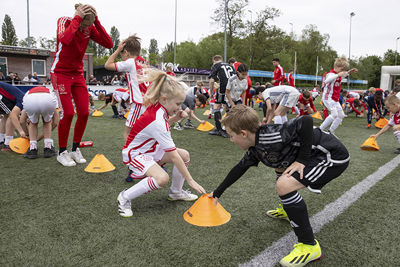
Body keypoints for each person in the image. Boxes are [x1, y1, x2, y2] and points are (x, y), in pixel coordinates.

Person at [209, 105, 350, 267]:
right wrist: (217, 192)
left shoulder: (273, 136)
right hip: (315, 154)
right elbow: (240, 167)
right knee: (278, 164)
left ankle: (309, 245)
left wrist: (302, 160)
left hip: (331, 156)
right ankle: (288, 208)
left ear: (243, 133)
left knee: (284, 185)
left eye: (231, 135)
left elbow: (306, 120)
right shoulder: (256, 147)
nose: (231, 139)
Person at [117, 70, 206, 217]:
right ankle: (124, 197)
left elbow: (159, 127)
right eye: (177, 104)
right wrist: (191, 181)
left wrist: (176, 118)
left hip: (149, 149)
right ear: (164, 99)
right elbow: (173, 155)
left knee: (185, 155)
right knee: (162, 178)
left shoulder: (159, 107)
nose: (179, 107)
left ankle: (176, 193)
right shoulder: (158, 121)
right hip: (135, 154)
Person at [50, 3, 113, 167]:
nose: (86, 28)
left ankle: (74, 149)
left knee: (84, 112)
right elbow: (65, 39)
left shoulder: (90, 28)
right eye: (85, 24)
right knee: (68, 112)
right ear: (78, 17)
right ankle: (62, 152)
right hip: (60, 73)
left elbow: (108, 43)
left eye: (89, 25)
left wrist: (97, 21)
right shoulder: (64, 21)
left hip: (77, 74)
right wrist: (77, 19)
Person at [105, 35, 150, 140]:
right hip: (149, 103)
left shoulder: (130, 62)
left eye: (122, 54)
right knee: (144, 134)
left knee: (127, 134)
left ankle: (130, 155)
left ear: (126, 53)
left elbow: (108, 65)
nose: (121, 57)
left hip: (139, 104)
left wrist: (118, 49)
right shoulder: (144, 62)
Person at [319, 57, 358, 134]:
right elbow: (326, 81)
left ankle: (331, 131)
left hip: (335, 99)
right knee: (334, 114)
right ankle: (319, 129)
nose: (342, 71)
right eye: (342, 69)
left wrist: (350, 72)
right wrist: (337, 75)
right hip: (328, 98)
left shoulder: (338, 74)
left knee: (341, 115)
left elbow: (344, 75)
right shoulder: (330, 74)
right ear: (336, 67)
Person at [21, 86, 58, 158]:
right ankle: (48, 148)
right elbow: (56, 122)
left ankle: (32, 149)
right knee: (47, 122)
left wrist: (28, 135)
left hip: (30, 99)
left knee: (33, 123)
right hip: (48, 98)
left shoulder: (26, 95)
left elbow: (22, 121)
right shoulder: (52, 94)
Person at [208, 55, 235, 137]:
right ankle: (229, 128)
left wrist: (211, 92)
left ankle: (219, 130)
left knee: (216, 107)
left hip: (223, 88)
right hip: (232, 89)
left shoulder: (215, 65)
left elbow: (212, 80)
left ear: (214, 61)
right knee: (227, 108)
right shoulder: (230, 66)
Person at [0, 81, 27, 151]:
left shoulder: (23, 99)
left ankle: (1, 140)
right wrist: (21, 131)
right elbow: (13, 116)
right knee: (11, 116)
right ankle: (7, 143)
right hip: (3, 94)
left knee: (6, 116)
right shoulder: (23, 101)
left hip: (7, 96)